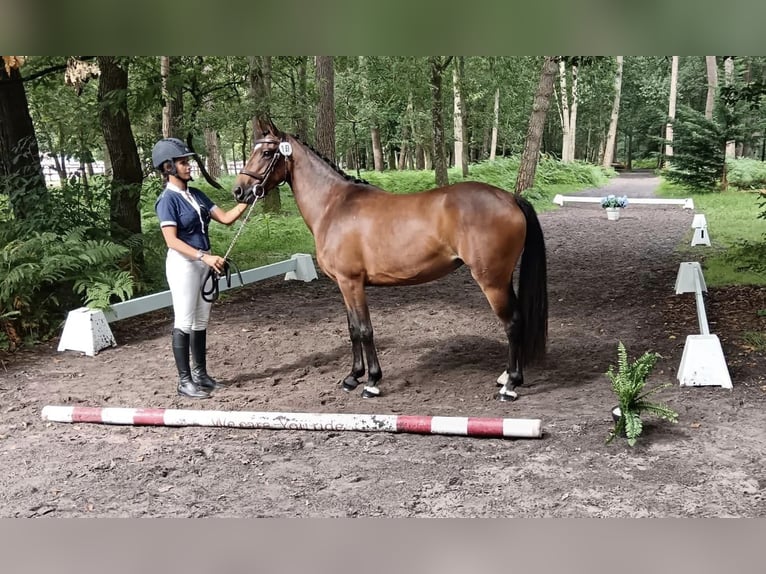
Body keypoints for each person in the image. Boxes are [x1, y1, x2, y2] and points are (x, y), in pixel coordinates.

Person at [152, 137, 250, 399]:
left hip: (203, 262)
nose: (188, 166)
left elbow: (226, 218)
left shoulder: (195, 194)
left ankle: (201, 375)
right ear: (168, 167)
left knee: (201, 321)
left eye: (187, 162)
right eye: (183, 162)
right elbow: (171, 240)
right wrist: (203, 257)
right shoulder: (167, 201)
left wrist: (249, 200)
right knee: (184, 320)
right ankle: (184, 382)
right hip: (184, 263)